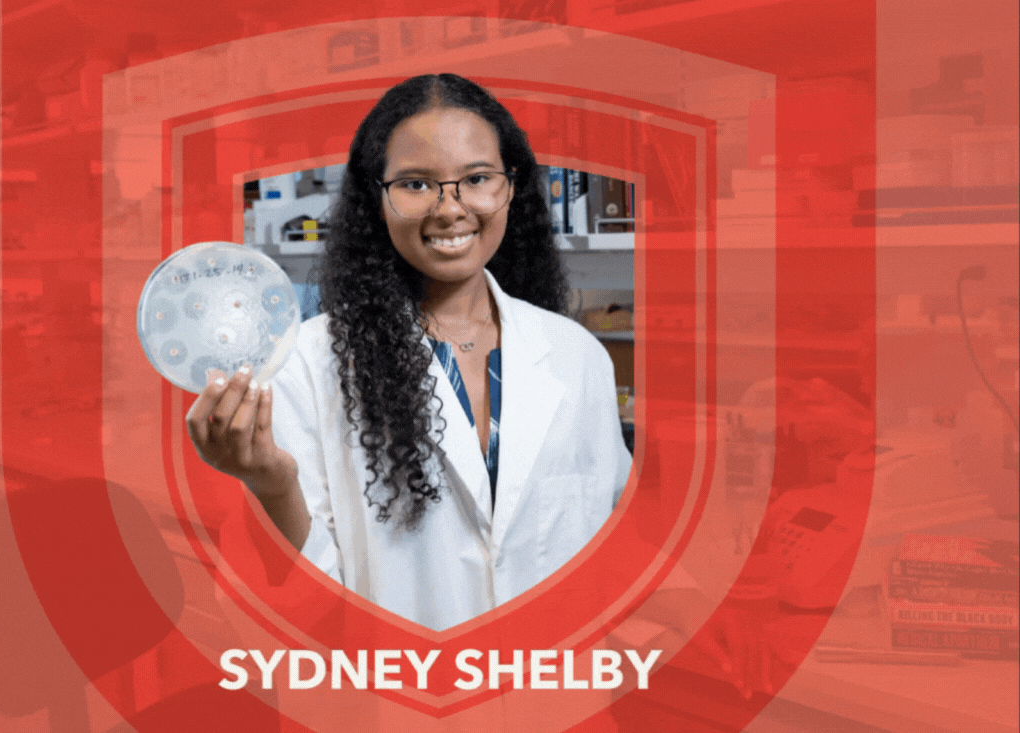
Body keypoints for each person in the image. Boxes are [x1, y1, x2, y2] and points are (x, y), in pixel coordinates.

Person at [186, 75, 776, 698]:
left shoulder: (574, 354)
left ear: (510, 187)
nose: (450, 207)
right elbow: (302, 608)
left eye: (476, 178)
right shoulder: (310, 362)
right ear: (375, 198)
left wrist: (694, 616)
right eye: (415, 184)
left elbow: (612, 541)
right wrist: (271, 486)